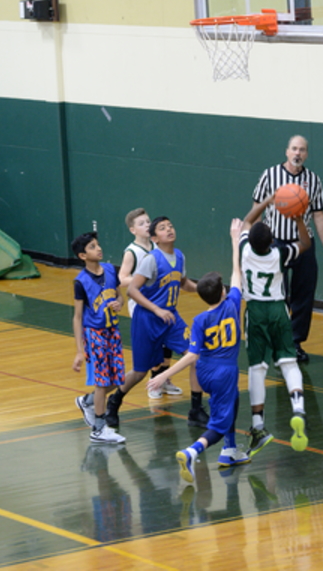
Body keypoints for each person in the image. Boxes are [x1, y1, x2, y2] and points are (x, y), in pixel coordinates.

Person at [147, 219, 250, 483]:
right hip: (225, 371)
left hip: (205, 372)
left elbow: (192, 356)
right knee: (218, 424)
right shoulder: (232, 304)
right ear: (224, 291)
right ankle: (192, 452)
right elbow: (237, 271)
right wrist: (235, 240)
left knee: (231, 402)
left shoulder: (200, 320)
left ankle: (230, 450)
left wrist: (164, 374)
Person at [105, 216, 209, 431]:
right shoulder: (151, 259)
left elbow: (183, 283)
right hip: (147, 319)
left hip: (170, 319)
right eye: (162, 228)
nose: (169, 229)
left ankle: (196, 410)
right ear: (154, 238)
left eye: (170, 226)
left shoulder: (179, 256)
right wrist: (156, 309)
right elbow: (132, 290)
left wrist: (206, 290)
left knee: (196, 355)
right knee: (140, 372)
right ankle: (114, 402)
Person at [252, 135, 323, 363]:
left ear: (306, 154)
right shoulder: (270, 175)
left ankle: (295, 343)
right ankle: (278, 344)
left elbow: (319, 215)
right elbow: (257, 208)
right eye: (294, 149)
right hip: (275, 243)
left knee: (304, 295)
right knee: (277, 296)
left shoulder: (313, 180)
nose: (298, 153)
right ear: (287, 151)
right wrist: (255, 242)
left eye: (302, 150)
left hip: (303, 244)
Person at [240, 197, 311, 455]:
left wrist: (267, 201)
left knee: (257, 368)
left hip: (256, 311)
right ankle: (298, 409)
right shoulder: (280, 253)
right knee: (289, 363)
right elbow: (305, 244)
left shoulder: (244, 249)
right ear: (272, 241)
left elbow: (247, 221)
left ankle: (258, 424)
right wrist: (300, 220)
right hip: (278, 310)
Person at [119, 207, 182, 400]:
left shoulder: (159, 247)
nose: (146, 225)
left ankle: (163, 378)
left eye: (148, 221)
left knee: (166, 344)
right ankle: (154, 382)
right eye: (141, 223)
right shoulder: (132, 252)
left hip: (162, 302)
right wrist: (145, 278)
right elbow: (122, 278)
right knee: (155, 346)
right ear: (133, 230)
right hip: (141, 304)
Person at [71, 231, 126, 445]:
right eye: (92, 247)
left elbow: (119, 295)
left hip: (113, 331)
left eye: (98, 244)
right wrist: (79, 350)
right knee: (102, 382)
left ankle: (87, 401)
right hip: (95, 334)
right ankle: (99, 429)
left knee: (117, 379)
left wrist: (119, 302)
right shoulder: (81, 282)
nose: (99, 248)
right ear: (82, 256)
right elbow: (77, 317)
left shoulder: (111, 270)